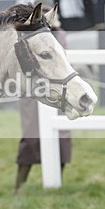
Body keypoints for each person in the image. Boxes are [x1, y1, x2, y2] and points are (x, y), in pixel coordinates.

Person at [15, 21, 71, 194]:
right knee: (31, 137)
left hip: (57, 90)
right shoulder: (26, 34)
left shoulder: (58, 34)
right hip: (33, 90)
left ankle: (55, 183)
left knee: (61, 137)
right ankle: (19, 186)